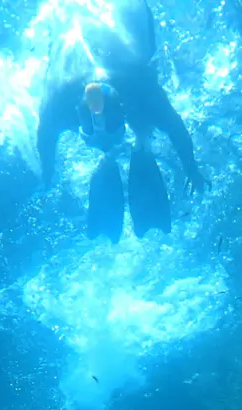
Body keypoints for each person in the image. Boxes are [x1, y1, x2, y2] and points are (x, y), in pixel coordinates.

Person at [36, 0, 207, 242]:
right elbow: (45, 137)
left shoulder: (142, 90)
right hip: (94, 72)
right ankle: (115, 156)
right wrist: (47, 174)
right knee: (122, 132)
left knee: (144, 122)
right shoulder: (59, 104)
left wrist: (192, 168)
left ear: (124, 111)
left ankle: (141, 144)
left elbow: (175, 127)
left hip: (128, 70)